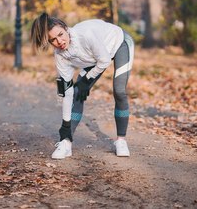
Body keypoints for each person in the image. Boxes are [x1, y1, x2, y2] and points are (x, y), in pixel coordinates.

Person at [31, 13, 134, 159]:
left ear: (66, 28)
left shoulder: (85, 36)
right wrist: (65, 126)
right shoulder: (60, 55)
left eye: (61, 34)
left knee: (119, 90)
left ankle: (121, 141)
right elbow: (67, 91)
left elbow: (104, 60)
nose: (59, 41)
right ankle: (66, 143)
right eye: (53, 40)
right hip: (93, 56)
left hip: (118, 43)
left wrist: (87, 79)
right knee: (77, 92)